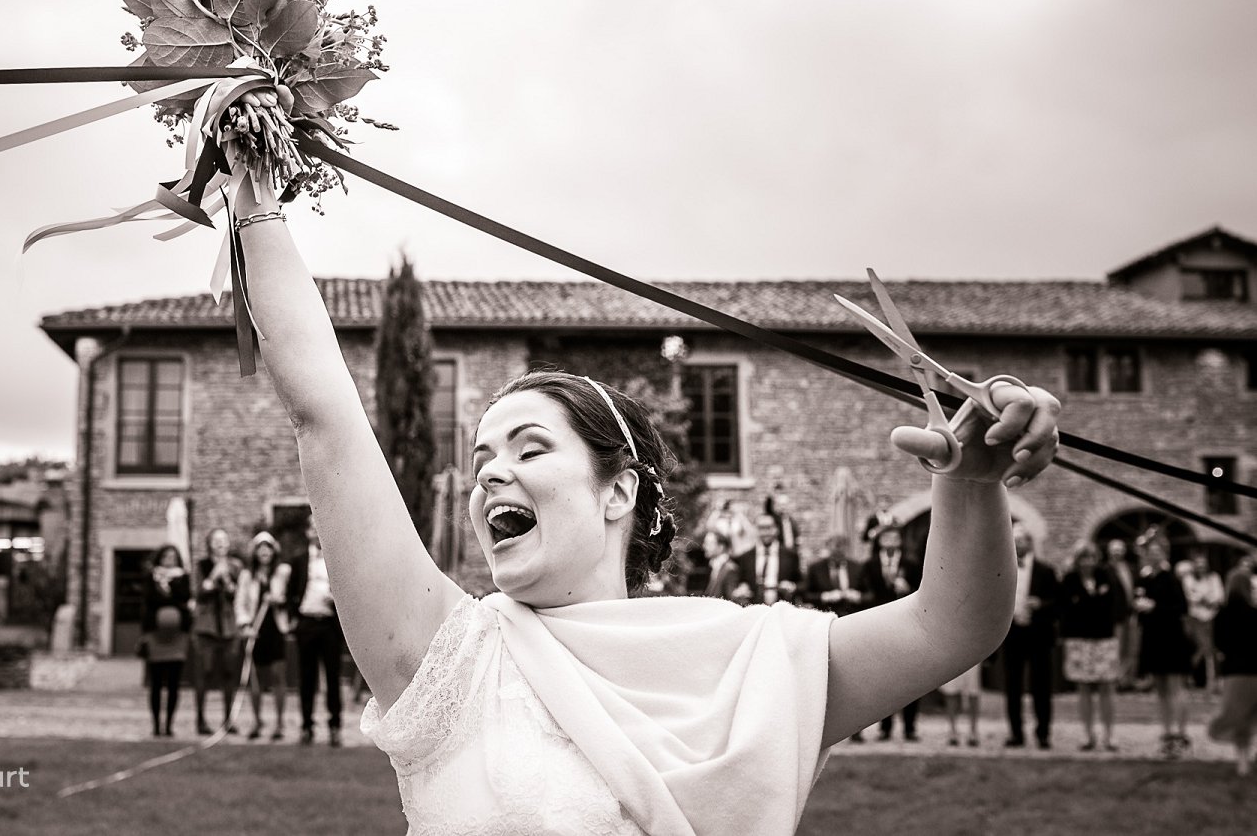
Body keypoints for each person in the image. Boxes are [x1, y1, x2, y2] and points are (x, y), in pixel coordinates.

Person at [227, 167, 1060, 834]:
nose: (488, 475)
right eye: (481, 457)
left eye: (529, 448)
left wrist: (970, 487)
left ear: (618, 488)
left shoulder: (745, 655)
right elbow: (327, 416)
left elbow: (950, 624)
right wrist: (251, 176)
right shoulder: (447, 658)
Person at [1058, 540, 1125, 752]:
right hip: (1079, 640)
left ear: (1096, 559)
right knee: (1083, 687)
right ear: (1077, 560)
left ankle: (1110, 734)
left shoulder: (1107, 577)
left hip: (1104, 638)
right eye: (1083, 558)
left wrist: (1088, 605)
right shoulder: (1069, 580)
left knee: (1107, 687)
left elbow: (1115, 606)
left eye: (1091, 558)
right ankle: (1088, 734)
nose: (1087, 562)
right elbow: (1066, 611)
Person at [286, 515, 345, 747]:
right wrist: (295, 619)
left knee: (332, 677)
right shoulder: (299, 561)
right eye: (312, 527)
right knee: (306, 678)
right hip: (307, 624)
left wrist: (335, 599)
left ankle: (335, 726)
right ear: (308, 533)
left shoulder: (337, 560)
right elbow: (291, 592)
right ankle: (307, 726)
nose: (316, 531)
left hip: (329, 625)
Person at [805, 534, 870, 742]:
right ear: (827, 547)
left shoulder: (858, 568)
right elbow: (805, 594)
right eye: (834, 545)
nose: (838, 549)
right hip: (823, 628)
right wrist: (825, 597)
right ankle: (822, 728)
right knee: (824, 676)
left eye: (842, 545)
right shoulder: (816, 568)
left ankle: (855, 728)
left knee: (853, 678)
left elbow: (871, 595)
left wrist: (858, 596)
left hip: (852, 627)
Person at [1134, 531, 1193, 759]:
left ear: (1164, 553)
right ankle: (1167, 733)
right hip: (1152, 638)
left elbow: (1181, 609)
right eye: (1150, 551)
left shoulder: (1172, 579)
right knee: (1159, 688)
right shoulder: (1145, 578)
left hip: (1172, 638)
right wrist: (1140, 608)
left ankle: (1181, 734)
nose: (1154, 555)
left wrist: (1154, 607)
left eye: (1158, 551)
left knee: (1175, 686)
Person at [861, 525, 923, 741]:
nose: (890, 541)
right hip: (880, 622)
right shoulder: (869, 565)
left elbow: (923, 592)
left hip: (907, 623)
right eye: (886, 537)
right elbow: (864, 593)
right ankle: (885, 727)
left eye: (895, 537)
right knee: (883, 677)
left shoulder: (911, 564)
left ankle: (910, 727)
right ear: (879, 541)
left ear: (900, 541)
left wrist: (908, 589)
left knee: (910, 676)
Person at [1000, 524, 1058, 750]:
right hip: (1012, 634)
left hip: (1039, 635)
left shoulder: (1046, 571)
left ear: (1030, 543)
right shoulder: (1002, 569)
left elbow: (1058, 603)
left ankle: (1043, 733)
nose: (1018, 543)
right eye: (1014, 539)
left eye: (1022, 539)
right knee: (1012, 686)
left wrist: (1041, 604)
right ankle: (1016, 733)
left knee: (1041, 686)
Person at [236, 530, 292, 741]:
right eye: (260, 548)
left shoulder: (283, 572)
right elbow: (240, 603)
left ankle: (279, 723)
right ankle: (257, 721)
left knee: (278, 676)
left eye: (267, 547)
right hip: (256, 632)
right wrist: (245, 625)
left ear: (273, 551)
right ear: (255, 552)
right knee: (256, 680)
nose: (264, 552)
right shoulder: (247, 576)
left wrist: (279, 600)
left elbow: (291, 597)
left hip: (276, 630)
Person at [1209, 556, 1257, 775]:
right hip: (1255, 669)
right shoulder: (1254, 614)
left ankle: (1243, 762)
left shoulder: (1222, 615)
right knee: (1253, 714)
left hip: (1235, 671)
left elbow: (1219, 644)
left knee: (1239, 718)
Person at [193, 527, 243, 735]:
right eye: (216, 540)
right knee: (204, 673)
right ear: (209, 544)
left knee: (229, 673)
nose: (220, 543)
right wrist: (215, 575)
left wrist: (230, 583)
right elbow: (199, 593)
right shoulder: (202, 566)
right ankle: (201, 719)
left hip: (229, 627)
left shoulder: (236, 566)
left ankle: (228, 719)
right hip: (207, 627)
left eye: (224, 539)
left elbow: (240, 594)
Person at [140, 544, 191, 737]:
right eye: (166, 556)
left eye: (173, 556)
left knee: (173, 682)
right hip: (156, 636)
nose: (170, 559)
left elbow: (184, 597)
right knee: (156, 682)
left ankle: (169, 725)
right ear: (159, 558)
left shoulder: (183, 577)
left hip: (178, 637)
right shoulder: (150, 577)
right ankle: (155, 725)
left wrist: (169, 587)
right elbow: (150, 600)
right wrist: (165, 590)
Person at [731, 512, 804, 607]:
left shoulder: (791, 555)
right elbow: (740, 582)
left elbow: (803, 584)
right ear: (755, 529)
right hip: (754, 611)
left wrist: (792, 587)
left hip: (782, 610)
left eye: (769, 527)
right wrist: (742, 588)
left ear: (776, 529)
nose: (765, 532)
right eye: (761, 528)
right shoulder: (745, 557)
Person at [1181, 549, 1225, 693]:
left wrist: (1205, 598)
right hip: (1195, 618)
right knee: (1202, 649)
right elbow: (1189, 596)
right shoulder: (1188, 579)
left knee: (1210, 650)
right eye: (1198, 564)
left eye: (1203, 564)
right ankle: (1193, 678)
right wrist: (1205, 597)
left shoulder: (1214, 578)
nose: (1201, 567)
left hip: (1212, 618)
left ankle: (1211, 681)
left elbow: (1219, 597)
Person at [1105, 538, 1140, 689]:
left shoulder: (1131, 569)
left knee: (1132, 648)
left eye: (1120, 549)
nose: (1117, 552)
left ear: (1124, 551)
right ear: (1109, 552)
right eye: (1114, 550)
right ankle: (1116, 680)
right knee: (1116, 648)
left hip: (1131, 614)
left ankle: (1128, 679)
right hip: (1115, 616)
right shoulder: (1106, 570)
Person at [939, 662, 983, 748]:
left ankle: (973, 731)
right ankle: (952, 731)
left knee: (973, 691)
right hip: (952, 656)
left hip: (973, 655)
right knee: (951, 691)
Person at [700, 529, 734, 600]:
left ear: (721, 547)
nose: (704, 547)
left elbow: (731, 601)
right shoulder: (714, 567)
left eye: (708, 543)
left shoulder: (730, 569)